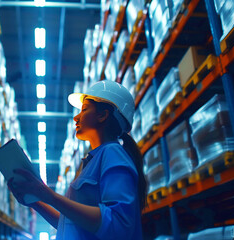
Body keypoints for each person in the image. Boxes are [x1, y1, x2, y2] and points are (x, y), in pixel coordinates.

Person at [8, 80, 146, 240]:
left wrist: (48, 195)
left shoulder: (113, 153)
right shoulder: (92, 162)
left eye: (84, 109)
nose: (76, 117)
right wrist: (34, 202)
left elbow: (118, 224)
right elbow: (70, 223)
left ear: (103, 115)